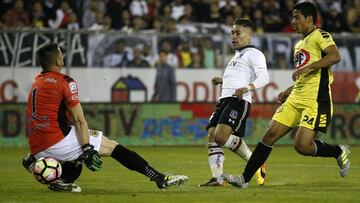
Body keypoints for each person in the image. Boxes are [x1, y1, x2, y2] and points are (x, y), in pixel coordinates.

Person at [22, 43, 188, 192]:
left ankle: (55, 177)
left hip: (37, 147)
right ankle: (159, 178)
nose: (62, 57)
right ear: (58, 61)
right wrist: (87, 148)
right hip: (57, 143)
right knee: (111, 146)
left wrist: (37, 153)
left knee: (76, 162)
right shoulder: (65, 82)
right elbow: (79, 120)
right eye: (61, 54)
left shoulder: (37, 82)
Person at [223, 1, 350, 189]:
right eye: (292, 16)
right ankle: (244, 179)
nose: (293, 21)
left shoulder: (321, 35)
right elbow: (304, 75)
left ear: (309, 19)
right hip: (296, 97)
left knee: (302, 146)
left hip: (315, 100)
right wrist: (289, 90)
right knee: (269, 134)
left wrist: (307, 67)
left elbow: (334, 57)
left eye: (297, 17)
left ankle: (338, 151)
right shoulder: (299, 44)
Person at [199, 18, 269, 187]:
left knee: (221, 137)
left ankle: (256, 161)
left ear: (249, 35)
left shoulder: (255, 54)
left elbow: (265, 78)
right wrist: (222, 80)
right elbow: (238, 77)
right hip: (225, 99)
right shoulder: (237, 56)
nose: (233, 36)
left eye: (238, 33)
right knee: (212, 135)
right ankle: (217, 178)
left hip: (238, 100)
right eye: (232, 33)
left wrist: (247, 88)